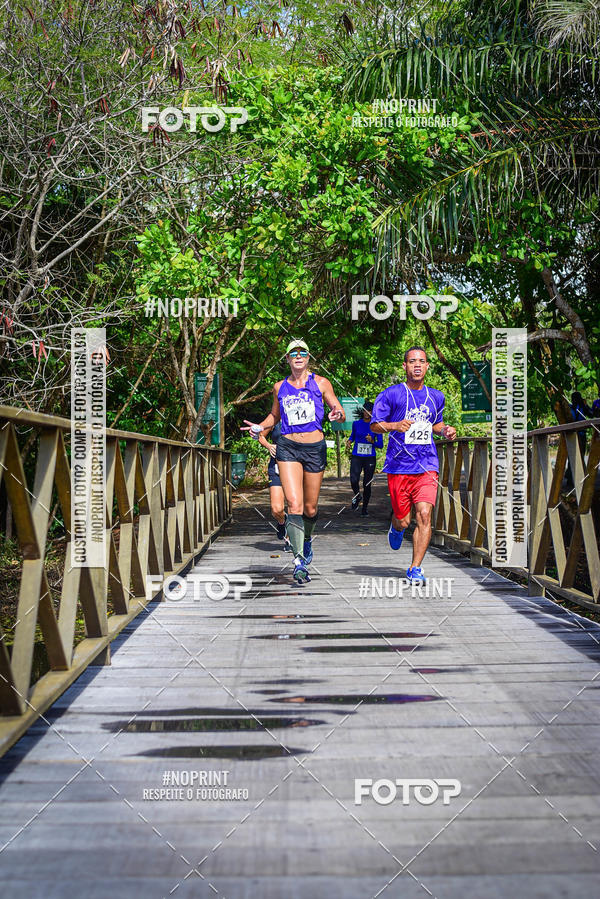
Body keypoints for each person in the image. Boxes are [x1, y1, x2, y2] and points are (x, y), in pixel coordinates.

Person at [242, 338, 345, 584]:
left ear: (308, 357)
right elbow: (274, 416)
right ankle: (299, 562)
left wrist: (337, 414)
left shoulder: (321, 383)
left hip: (314, 448)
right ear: (287, 359)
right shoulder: (280, 387)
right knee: (293, 504)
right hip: (288, 447)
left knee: (310, 508)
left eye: (302, 352)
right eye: (293, 353)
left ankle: (306, 540)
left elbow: (338, 411)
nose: (298, 356)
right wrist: (260, 426)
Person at [370, 346, 457, 583]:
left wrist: (446, 430)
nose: (417, 365)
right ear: (405, 366)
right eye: (412, 361)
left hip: (427, 464)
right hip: (399, 466)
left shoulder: (436, 397)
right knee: (404, 519)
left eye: (422, 361)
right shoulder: (391, 394)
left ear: (427, 366)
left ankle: (415, 567)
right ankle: (397, 527)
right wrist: (395, 425)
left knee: (425, 514)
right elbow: (375, 425)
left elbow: (435, 424)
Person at [258, 420, 292, 551]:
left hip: (296, 466)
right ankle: (282, 522)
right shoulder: (275, 418)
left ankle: (290, 540)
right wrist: (269, 446)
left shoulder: (301, 418)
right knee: (276, 509)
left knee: (294, 506)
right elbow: (260, 435)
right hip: (276, 466)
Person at [347, 401, 383, 516]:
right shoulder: (356, 424)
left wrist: (373, 441)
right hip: (357, 456)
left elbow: (380, 445)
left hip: (369, 458)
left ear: (373, 412)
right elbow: (353, 435)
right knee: (353, 480)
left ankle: (365, 509)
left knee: (367, 484)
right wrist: (349, 441)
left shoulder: (376, 425)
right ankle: (357, 496)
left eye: (369, 410)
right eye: (365, 410)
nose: (367, 412)